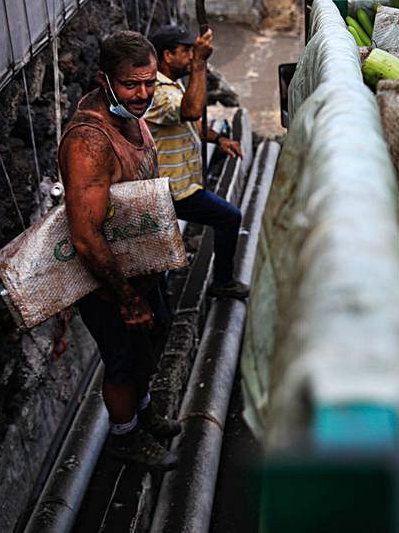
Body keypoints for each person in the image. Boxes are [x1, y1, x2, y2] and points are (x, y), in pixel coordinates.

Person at [59, 30, 180, 471]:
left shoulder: (132, 114)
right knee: (123, 361)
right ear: (104, 80)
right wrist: (127, 299)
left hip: (142, 267)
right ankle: (124, 436)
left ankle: (143, 411)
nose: (143, 94)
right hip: (111, 283)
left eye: (149, 83)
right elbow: (86, 236)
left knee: (151, 342)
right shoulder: (89, 143)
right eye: (131, 85)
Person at [144, 24, 250, 300]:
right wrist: (200, 63)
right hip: (171, 189)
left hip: (183, 183)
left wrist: (219, 140)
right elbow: (191, 111)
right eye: (186, 52)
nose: (191, 56)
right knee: (229, 217)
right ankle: (222, 282)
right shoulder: (156, 90)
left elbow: (192, 123)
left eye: (194, 52)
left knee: (162, 253)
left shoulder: (171, 84)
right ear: (167, 56)